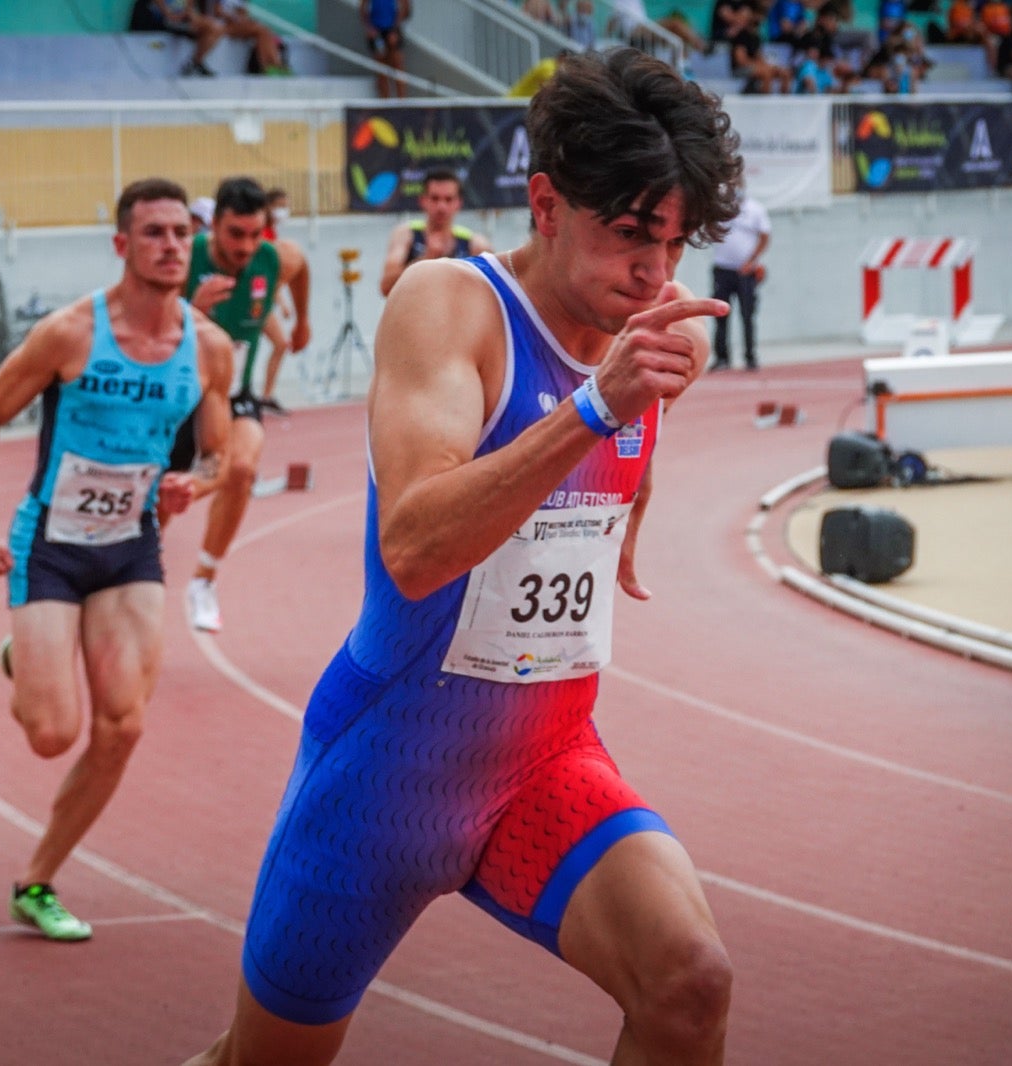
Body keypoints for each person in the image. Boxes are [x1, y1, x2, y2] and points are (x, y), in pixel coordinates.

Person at [184, 47, 740, 1066]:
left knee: (689, 982)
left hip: (545, 758)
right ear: (543, 203)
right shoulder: (451, 305)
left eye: (673, 242)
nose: (656, 273)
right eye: (628, 237)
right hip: (389, 773)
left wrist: (625, 508)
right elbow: (415, 547)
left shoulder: (643, 328)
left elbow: (611, 473)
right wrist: (592, 409)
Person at [0, 177, 234, 941]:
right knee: (52, 733)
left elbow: (220, 456)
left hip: (130, 548)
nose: (172, 246)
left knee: (122, 726)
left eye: (182, 233)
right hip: (50, 545)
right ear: (122, 245)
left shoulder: (210, 349)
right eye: (154, 233)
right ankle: (26, 654)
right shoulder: (70, 333)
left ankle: (37, 879)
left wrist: (195, 483)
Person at [178, 176, 311, 633]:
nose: (246, 246)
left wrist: (303, 322)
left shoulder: (273, 259)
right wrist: (191, 312)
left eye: (255, 234)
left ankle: (203, 580)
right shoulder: (184, 257)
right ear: (214, 225)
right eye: (236, 234)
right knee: (150, 503)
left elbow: (302, 266)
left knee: (241, 471)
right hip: (179, 400)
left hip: (234, 396)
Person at [378, 168, 493, 297]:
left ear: (458, 203)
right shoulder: (406, 235)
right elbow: (386, 287)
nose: (441, 207)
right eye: (435, 198)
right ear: (423, 200)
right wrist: (426, 259)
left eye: (448, 199)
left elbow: (492, 294)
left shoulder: (475, 244)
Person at [709, 181, 769, 371]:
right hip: (722, 269)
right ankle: (721, 358)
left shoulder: (755, 209)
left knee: (747, 314)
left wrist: (752, 261)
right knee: (720, 314)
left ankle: (750, 356)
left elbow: (765, 236)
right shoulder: (719, 209)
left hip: (745, 271)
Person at [257, 187, 296, 412]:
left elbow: (272, 274)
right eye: (280, 205)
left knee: (281, 344)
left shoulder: (272, 233)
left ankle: (266, 395)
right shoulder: (260, 232)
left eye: (285, 206)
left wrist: (281, 302)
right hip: (252, 300)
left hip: (264, 300)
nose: (283, 210)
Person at [130, 0, 226, 77]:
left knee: (215, 28)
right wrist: (169, 14)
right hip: (164, 19)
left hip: (182, 18)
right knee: (210, 27)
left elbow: (189, 7)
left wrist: (190, 15)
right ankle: (195, 64)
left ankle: (195, 63)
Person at [361, 0, 411, 99]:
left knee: (397, 63)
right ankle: (385, 101)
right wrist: (370, 28)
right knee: (381, 67)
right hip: (377, 31)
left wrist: (395, 29)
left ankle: (402, 101)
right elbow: (363, 8)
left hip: (392, 30)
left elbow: (406, 8)